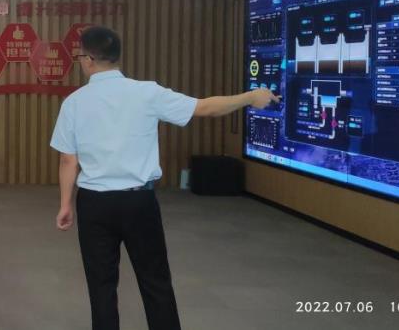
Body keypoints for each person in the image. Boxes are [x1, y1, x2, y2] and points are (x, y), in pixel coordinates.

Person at [51, 26, 278, 330]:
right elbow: (205, 108)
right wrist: (250, 96)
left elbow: (68, 160)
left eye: (80, 56)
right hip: (139, 202)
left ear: (89, 59)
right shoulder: (147, 93)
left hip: (94, 205)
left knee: (101, 286)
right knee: (155, 281)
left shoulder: (74, 102)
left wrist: (66, 204)